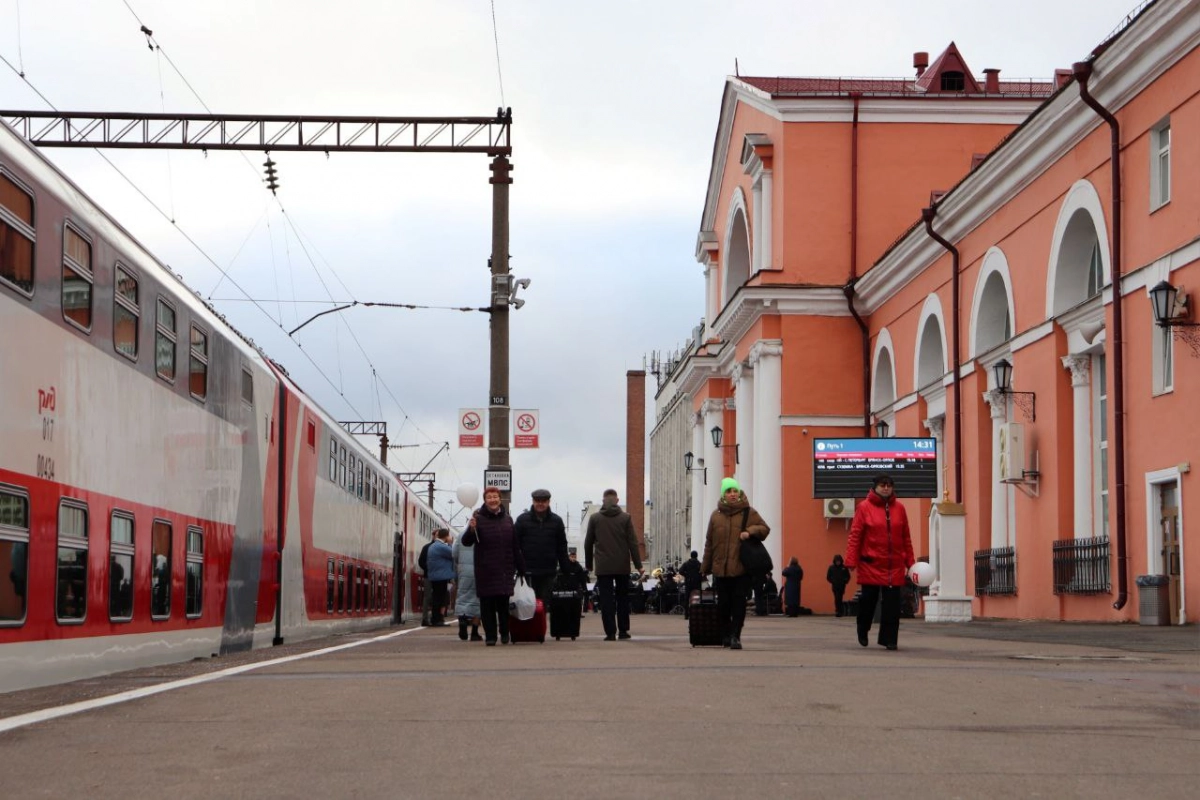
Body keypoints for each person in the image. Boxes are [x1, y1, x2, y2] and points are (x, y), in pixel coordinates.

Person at [845, 473, 914, 651]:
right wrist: (850, 561)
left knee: (892, 605)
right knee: (868, 600)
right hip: (871, 563)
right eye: (882, 485)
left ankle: (889, 639)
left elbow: (906, 537)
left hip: (894, 565)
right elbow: (855, 535)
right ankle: (863, 628)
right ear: (875, 487)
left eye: (889, 485)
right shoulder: (864, 507)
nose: (886, 487)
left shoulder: (900, 508)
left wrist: (911, 563)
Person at [701, 478, 769, 650]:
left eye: (735, 491)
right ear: (723, 494)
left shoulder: (748, 512)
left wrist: (749, 532)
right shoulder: (715, 516)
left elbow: (764, 528)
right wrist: (705, 568)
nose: (732, 494)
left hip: (740, 568)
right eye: (729, 491)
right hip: (720, 569)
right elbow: (709, 542)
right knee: (723, 605)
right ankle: (725, 633)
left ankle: (735, 636)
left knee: (738, 605)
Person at [462, 486, 526, 646]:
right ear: (485, 500)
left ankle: (505, 633)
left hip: (505, 570)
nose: (492, 500)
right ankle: (490, 636)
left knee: (503, 605)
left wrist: (521, 567)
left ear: (500, 499)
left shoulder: (508, 519)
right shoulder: (478, 518)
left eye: (495, 496)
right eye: (489, 497)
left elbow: (514, 545)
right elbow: (466, 542)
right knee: (487, 606)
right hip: (485, 570)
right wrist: (471, 529)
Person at [584, 488, 643, 641]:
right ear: (617, 500)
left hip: (603, 567)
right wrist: (638, 565)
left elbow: (588, 543)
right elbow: (633, 543)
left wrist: (589, 564)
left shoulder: (595, 518)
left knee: (606, 600)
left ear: (603, 500)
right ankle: (623, 631)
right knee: (622, 598)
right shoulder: (626, 518)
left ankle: (610, 632)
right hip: (622, 565)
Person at [514, 488, 570, 612]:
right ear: (533, 501)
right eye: (537, 500)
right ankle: (528, 631)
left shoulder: (557, 521)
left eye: (543, 501)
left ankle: (539, 631)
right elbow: (514, 546)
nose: (540, 503)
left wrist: (566, 570)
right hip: (527, 571)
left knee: (543, 607)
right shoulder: (522, 520)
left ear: (548, 502)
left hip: (548, 572)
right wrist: (516, 567)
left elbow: (562, 547)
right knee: (527, 605)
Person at [453, 529, 482, 641]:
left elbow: (454, 553)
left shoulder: (461, 535)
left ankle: (463, 621)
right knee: (478, 601)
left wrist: (460, 565)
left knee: (462, 597)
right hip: (480, 570)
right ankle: (474, 632)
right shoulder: (484, 533)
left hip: (464, 571)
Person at [426, 529, 454, 626]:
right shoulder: (441, 546)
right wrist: (450, 543)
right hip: (440, 576)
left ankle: (436, 619)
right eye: (448, 536)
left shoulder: (434, 546)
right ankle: (436, 620)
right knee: (439, 597)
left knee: (437, 597)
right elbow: (453, 553)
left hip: (436, 575)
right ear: (446, 536)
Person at [564, 548, 590, 614]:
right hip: (567, 587)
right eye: (572, 557)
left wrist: (584, 588)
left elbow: (582, 578)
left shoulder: (578, 566)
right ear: (569, 557)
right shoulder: (565, 565)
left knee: (577, 600)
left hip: (576, 587)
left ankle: (577, 612)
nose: (573, 558)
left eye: (574, 557)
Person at [417, 537, 435, 626]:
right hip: (430, 576)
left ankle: (430, 618)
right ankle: (426, 619)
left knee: (428, 597)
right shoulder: (427, 547)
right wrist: (428, 568)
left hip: (430, 575)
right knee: (428, 597)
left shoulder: (426, 547)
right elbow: (421, 561)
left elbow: (420, 561)